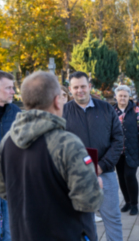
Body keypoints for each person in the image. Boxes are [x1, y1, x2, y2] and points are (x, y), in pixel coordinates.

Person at [0, 71, 103, 241]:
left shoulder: (7, 141)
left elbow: (5, 191)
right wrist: (96, 185)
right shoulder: (67, 143)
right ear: (57, 100)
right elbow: (88, 201)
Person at [63, 71, 124, 241]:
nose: (80, 90)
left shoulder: (106, 108)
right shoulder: (64, 112)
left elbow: (118, 139)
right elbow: (57, 144)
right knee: (83, 222)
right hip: (76, 177)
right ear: (70, 89)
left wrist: (102, 165)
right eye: (75, 87)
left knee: (112, 218)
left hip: (105, 173)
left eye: (83, 86)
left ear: (89, 86)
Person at [114, 85, 139, 215]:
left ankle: (134, 204)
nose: (122, 98)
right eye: (120, 95)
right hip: (117, 151)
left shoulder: (136, 110)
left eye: (125, 96)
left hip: (133, 150)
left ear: (129, 97)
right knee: (121, 177)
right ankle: (127, 202)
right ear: (116, 96)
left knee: (130, 176)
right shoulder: (112, 111)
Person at [0, 71, 21, 241]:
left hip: (10, 182)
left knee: (10, 231)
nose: (13, 92)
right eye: (8, 88)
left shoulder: (16, 112)